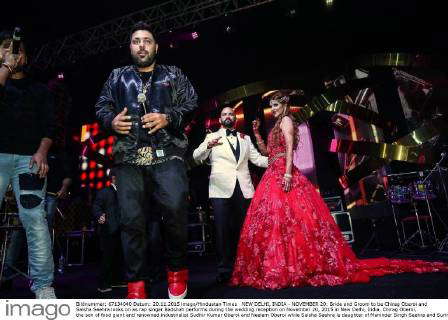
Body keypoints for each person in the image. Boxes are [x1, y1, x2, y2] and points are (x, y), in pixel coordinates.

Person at [230, 91, 448, 290]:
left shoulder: (286, 120)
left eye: (275, 105)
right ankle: (282, 263)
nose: (273, 109)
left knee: (294, 219)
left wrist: (288, 174)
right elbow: (269, 152)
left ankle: (296, 264)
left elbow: (288, 149)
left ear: (284, 105)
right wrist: (257, 133)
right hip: (272, 174)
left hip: (284, 174)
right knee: (277, 222)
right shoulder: (276, 123)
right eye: (272, 106)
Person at [95, 21, 198, 299]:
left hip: (168, 153)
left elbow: (191, 103)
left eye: (147, 41)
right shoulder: (117, 76)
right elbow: (102, 105)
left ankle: (176, 270)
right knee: (131, 221)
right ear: (130, 46)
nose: (141, 45)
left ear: (156, 46)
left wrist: (169, 117)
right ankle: (136, 283)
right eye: (136, 41)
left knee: (176, 208)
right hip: (128, 158)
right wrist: (110, 120)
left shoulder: (173, 74)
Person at [0, 30, 56, 298]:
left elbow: (49, 127)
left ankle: (43, 286)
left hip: (28, 160)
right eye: (6, 48)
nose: (13, 53)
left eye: (17, 50)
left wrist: (42, 152)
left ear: (26, 56)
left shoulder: (40, 90)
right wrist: (4, 69)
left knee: (35, 220)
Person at [193, 107, 268, 284]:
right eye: (225, 114)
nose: (228, 116)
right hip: (220, 189)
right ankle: (224, 269)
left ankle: (246, 267)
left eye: (230, 114)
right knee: (222, 230)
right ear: (220, 119)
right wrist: (207, 146)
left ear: (235, 118)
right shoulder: (212, 137)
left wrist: (276, 160)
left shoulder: (245, 138)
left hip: (243, 188)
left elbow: (257, 159)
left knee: (244, 230)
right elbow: (197, 157)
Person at [92, 169, 123, 293]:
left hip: (121, 229)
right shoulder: (104, 192)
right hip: (108, 229)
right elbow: (96, 206)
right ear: (114, 178)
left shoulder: (123, 192)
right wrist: (99, 215)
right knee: (107, 257)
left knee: (119, 256)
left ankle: (116, 280)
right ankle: (103, 283)